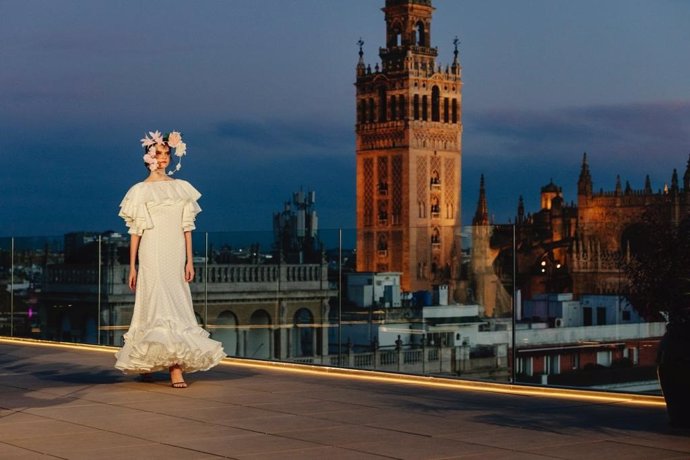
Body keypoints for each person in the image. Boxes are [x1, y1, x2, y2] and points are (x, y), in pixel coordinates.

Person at [114, 130, 225, 388]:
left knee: (175, 305)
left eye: (166, 153)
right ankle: (148, 362)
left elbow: (187, 227)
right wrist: (132, 266)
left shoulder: (182, 188)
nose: (163, 158)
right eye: (159, 153)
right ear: (149, 156)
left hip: (174, 252)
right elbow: (136, 231)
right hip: (151, 252)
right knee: (152, 305)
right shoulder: (139, 191)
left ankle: (176, 366)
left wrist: (189, 259)